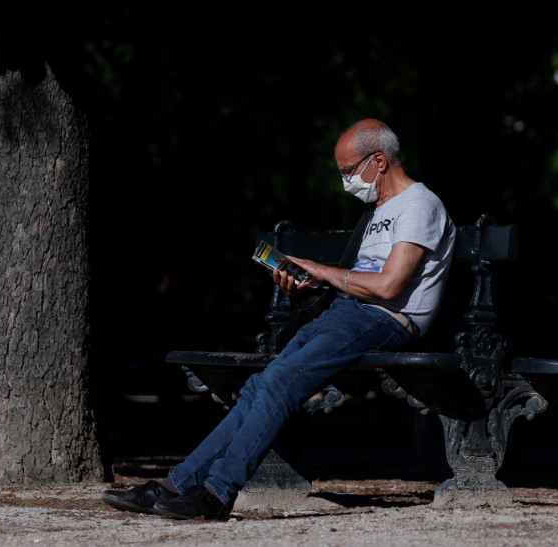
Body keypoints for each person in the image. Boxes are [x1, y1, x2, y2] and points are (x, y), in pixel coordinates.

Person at [101, 118, 457, 520]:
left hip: (385, 320)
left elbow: (390, 287)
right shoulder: (381, 210)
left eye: (347, 171)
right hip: (349, 313)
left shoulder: (420, 205)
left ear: (378, 160)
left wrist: (323, 270)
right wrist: (306, 285)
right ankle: (175, 486)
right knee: (259, 386)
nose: (345, 181)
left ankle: (216, 494)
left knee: (279, 384)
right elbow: (358, 282)